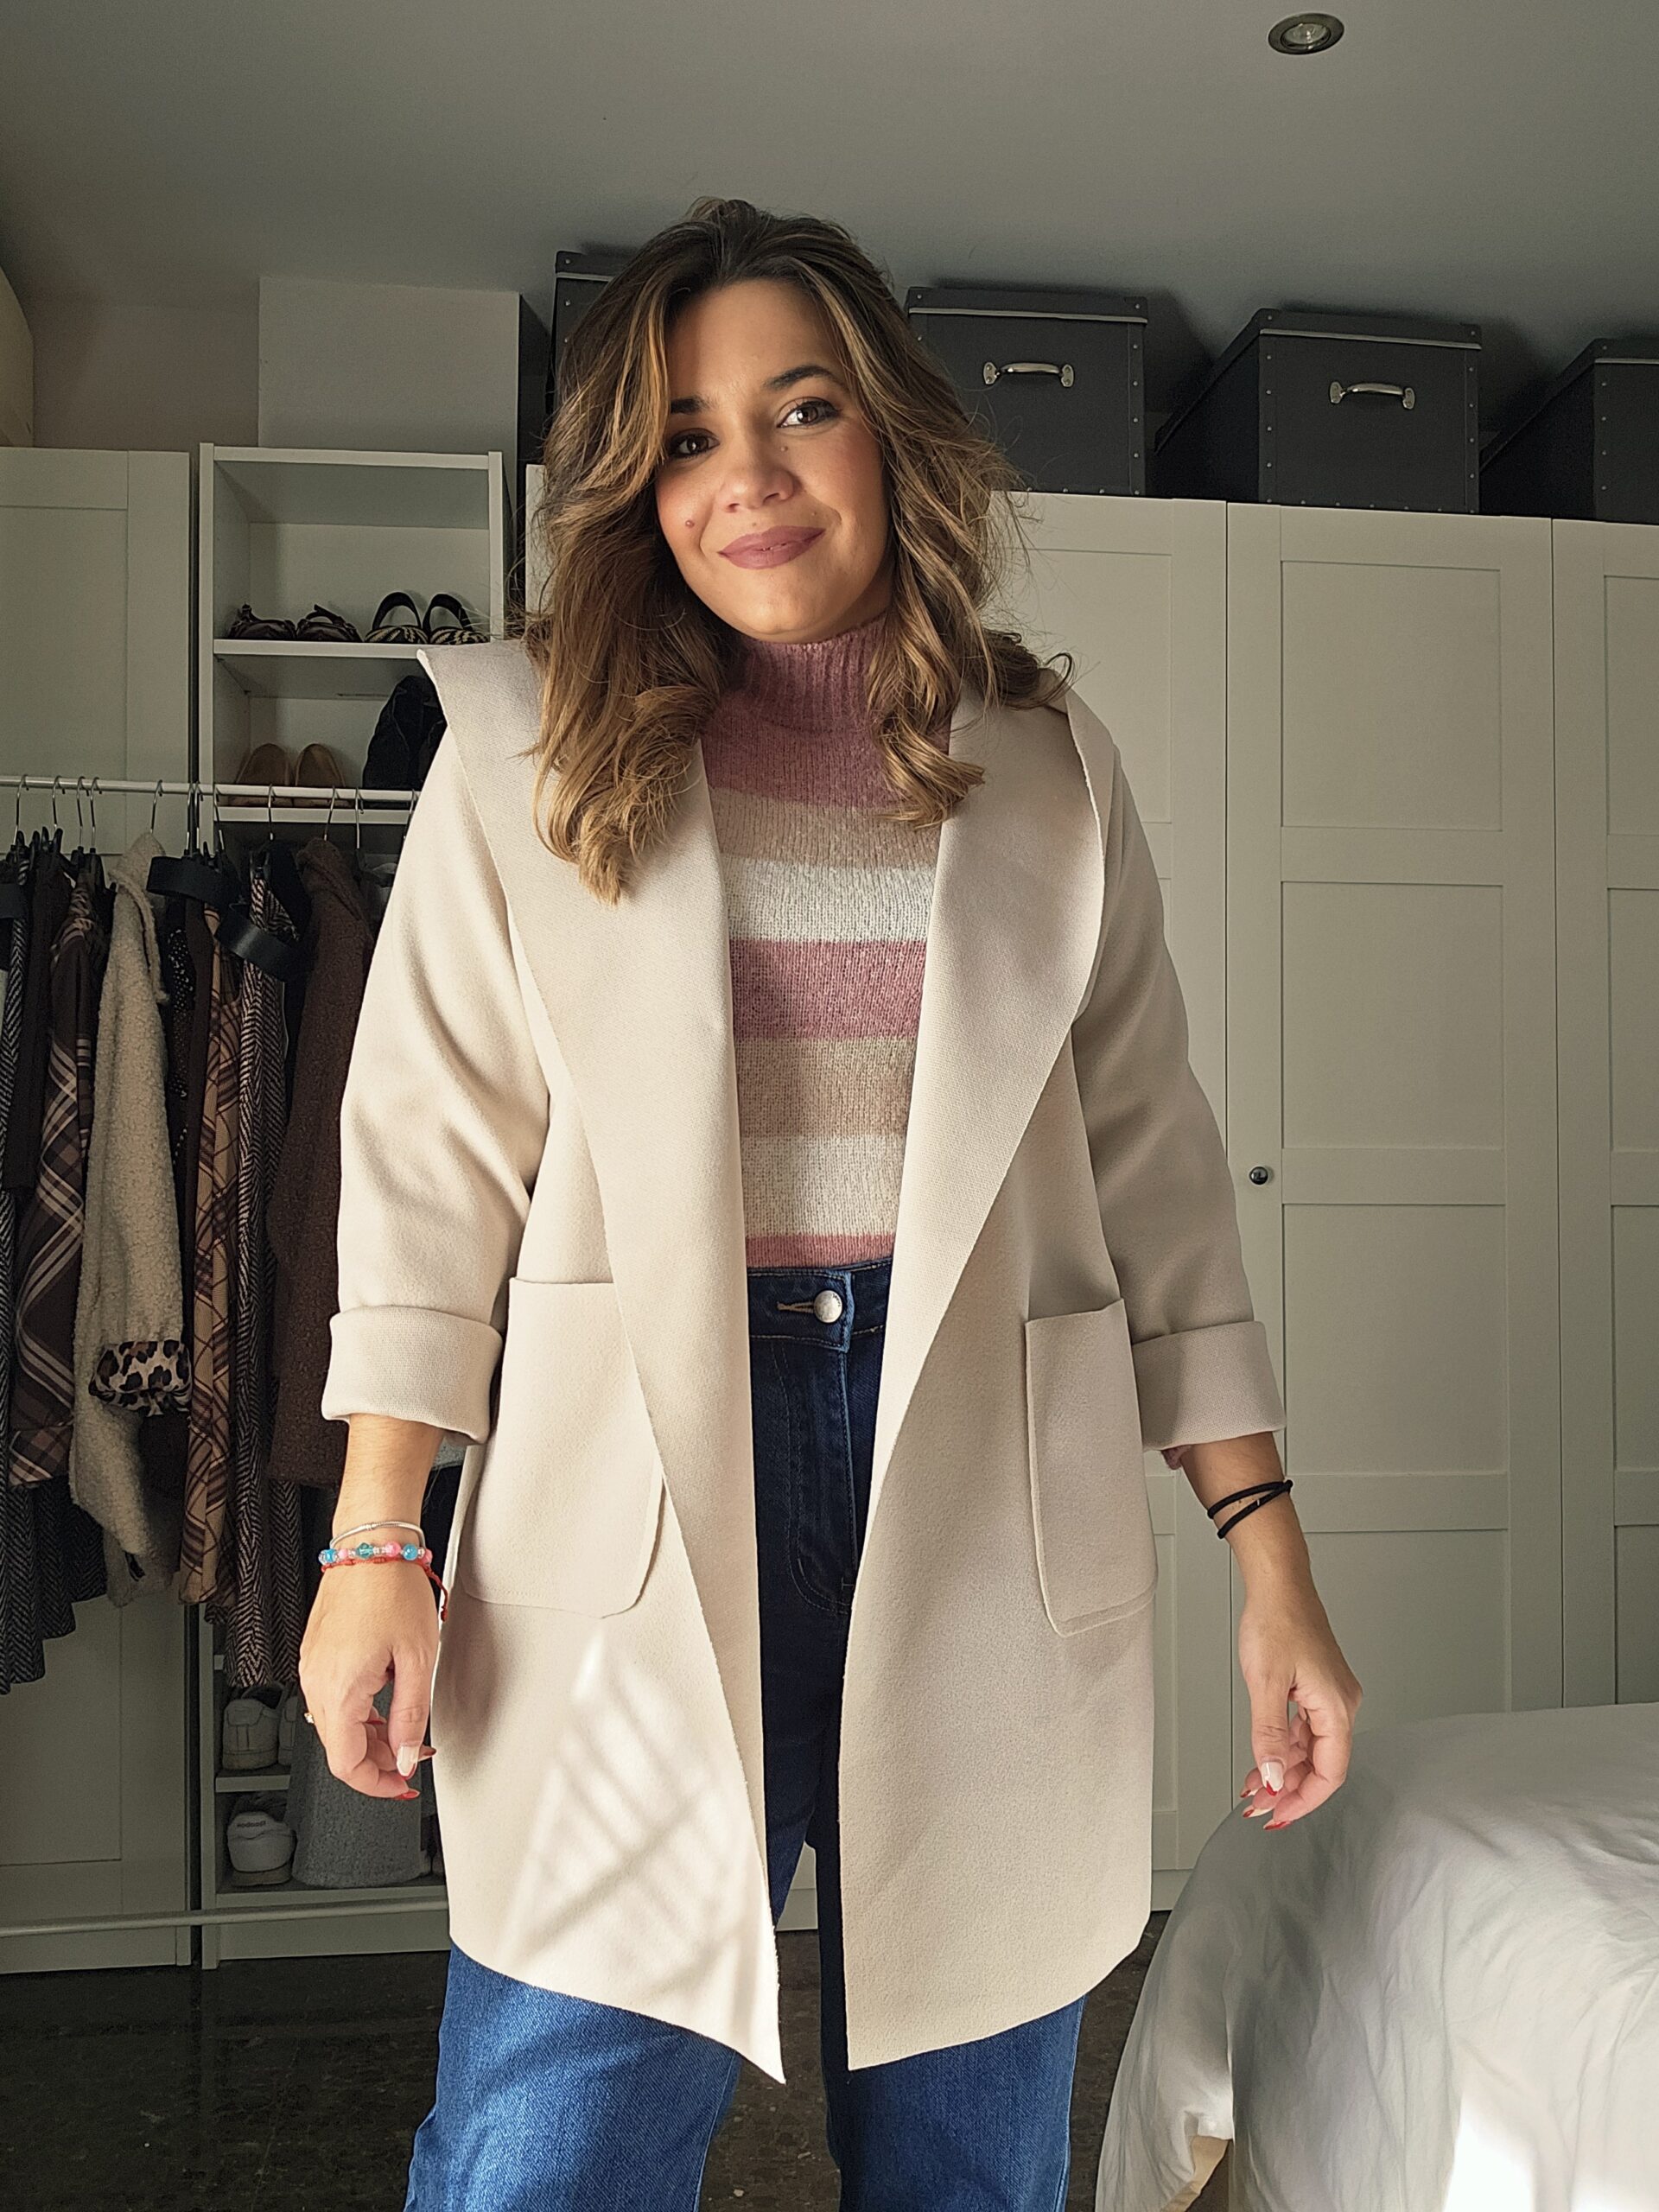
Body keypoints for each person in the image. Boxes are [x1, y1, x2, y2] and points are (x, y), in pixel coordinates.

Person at [302, 194, 1362, 2209]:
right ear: (634, 486)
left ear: (891, 431)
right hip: (633, 1490)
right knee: (547, 2149)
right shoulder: (518, 748)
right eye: (687, 434)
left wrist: (1273, 1558)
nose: (749, 476)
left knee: (971, 2157)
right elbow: (429, 1165)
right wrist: (378, 1535)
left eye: (801, 408)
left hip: (978, 1489)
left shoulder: (1050, 768)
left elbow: (1153, 1160)